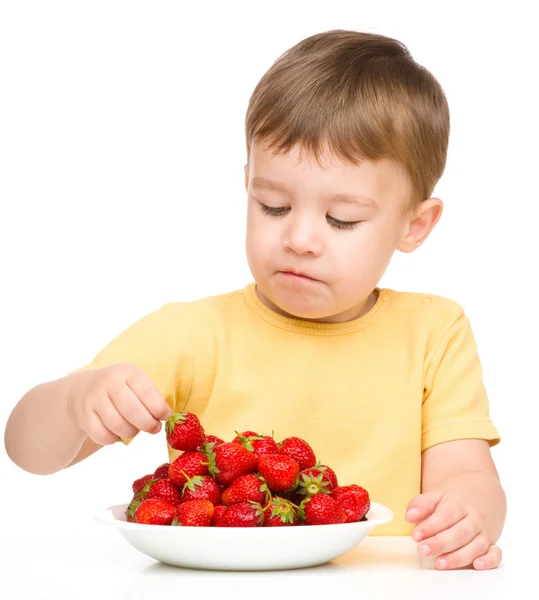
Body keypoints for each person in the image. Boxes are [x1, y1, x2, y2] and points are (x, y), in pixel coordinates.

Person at [4, 29, 506, 570]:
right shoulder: (193, 333)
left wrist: (467, 513)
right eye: (273, 206)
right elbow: (27, 449)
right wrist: (78, 398)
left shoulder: (434, 332)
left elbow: (468, 473)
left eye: (342, 219)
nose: (300, 239)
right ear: (248, 186)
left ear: (415, 225)